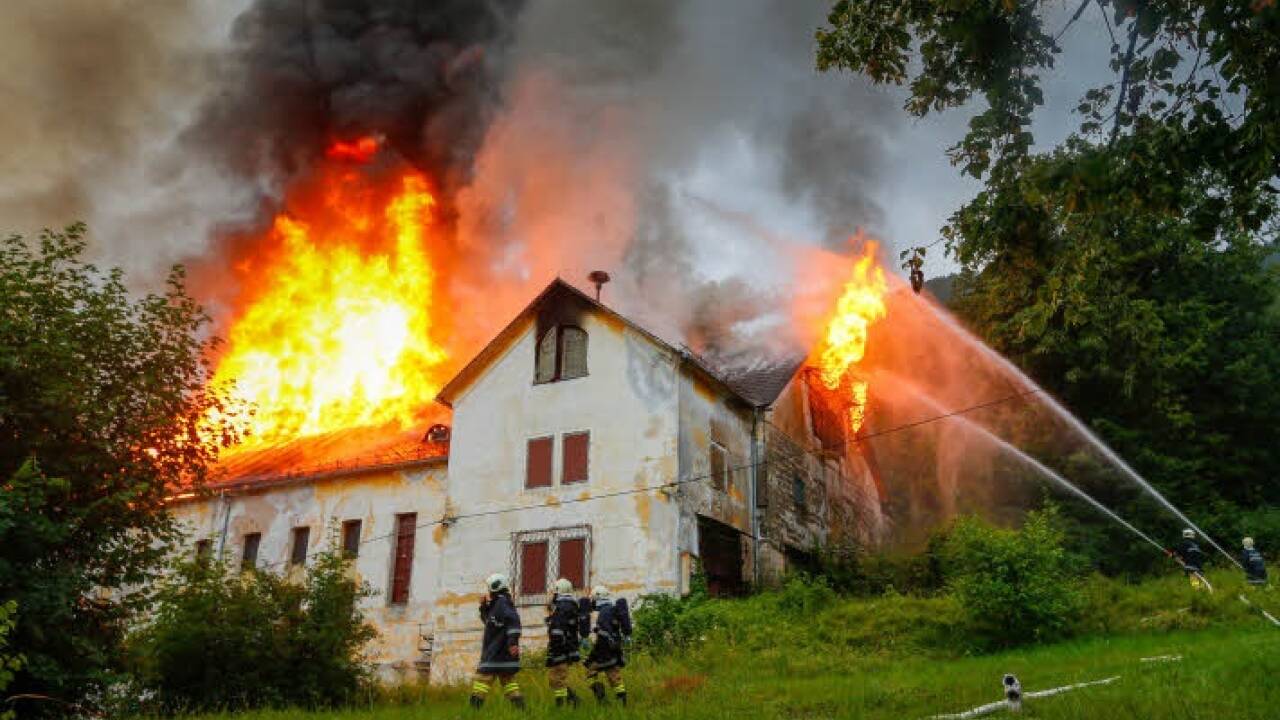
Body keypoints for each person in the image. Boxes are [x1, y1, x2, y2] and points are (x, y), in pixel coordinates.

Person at [470, 573, 524, 711]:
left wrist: (512, 643)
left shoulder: (502, 603)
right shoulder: (498, 604)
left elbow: (513, 622)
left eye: (489, 588)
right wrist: (483, 606)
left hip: (496, 653)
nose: (487, 591)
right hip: (501, 653)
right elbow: (489, 622)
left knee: (482, 680)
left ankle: (473, 710)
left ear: (494, 588)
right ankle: (522, 710)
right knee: (509, 682)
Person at [545, 578, 591, 707]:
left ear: (558, 591)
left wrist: (554, 646)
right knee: (555, 679)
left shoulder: (563, 606)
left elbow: (558, 629)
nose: (552, 595)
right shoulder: (569, 605)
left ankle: (565, 704)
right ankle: (572, 700)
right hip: (567, 645)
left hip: (561, 647)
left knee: (557, 678)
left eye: (554, 592)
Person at [584, 585, 632, 706]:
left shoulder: (604, 613)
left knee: (599, 671)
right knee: (611, 675)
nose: (593, 602)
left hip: (606, 649)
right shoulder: (610, 610)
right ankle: (617, 701)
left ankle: (606, 698)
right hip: (613, 648)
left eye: (594, 599)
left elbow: (604, 635)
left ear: (598, 598)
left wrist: (595, 653)